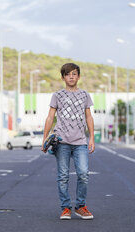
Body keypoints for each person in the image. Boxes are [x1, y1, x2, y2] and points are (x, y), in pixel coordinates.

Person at [41, 63, 95, 220]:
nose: (71, 77)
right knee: (63, 176)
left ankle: (80, 206)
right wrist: (45, 138)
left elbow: (88, 117)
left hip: (80, 142)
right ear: (63, 77)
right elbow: (50, 117)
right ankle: (65, 208)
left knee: (83, 173)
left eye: (74, 74)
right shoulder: (57, 95)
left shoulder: (85, 95)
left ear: (78, 76)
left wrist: (91, 137)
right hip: (61, 141)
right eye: (68, 74)